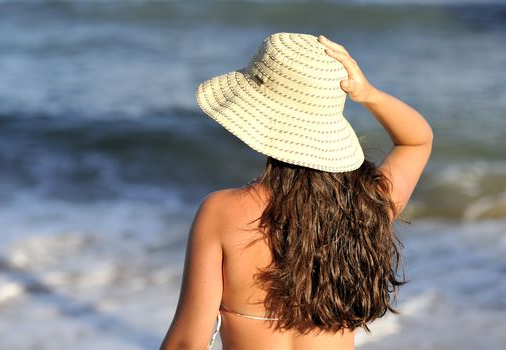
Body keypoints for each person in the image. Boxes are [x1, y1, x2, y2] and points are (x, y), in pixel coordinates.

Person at [160, 33, 433, 350]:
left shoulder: (223, 212)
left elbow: (186, 342)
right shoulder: (367, 206)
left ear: (260, 118)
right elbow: (417, 140)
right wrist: (368, 94)